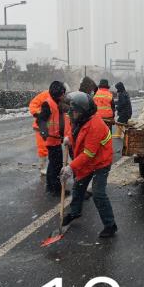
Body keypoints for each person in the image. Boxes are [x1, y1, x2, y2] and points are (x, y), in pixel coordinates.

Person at [60, 92, 117, 238]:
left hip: (101, 162)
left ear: (84, 112)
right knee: (78, 186)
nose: (72, 114)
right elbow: (76, 134)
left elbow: (88, 153)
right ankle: (75, 212)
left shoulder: (95, 125)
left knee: (98, 193)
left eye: (75, 111)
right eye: (72, 111)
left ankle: (110, 225)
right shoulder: (80, 120)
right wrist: (69, 139)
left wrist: (71, 167)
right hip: (89, 160)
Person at [35, 81, 70, 194]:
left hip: (57, 138)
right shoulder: (48, 104)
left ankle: (50, 186)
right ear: (57, 93)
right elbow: (41, 119)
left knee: (53, 164)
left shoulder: (58, 102)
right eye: (62, 93)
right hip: (51, 139)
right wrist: (43, 130)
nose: (63, 95)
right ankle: (56, 189)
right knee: (56, 165)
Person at [28, 89, 51, 176]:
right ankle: (43, 167)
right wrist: (41, 114)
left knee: (53, 147)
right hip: (41, 126)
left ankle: (52, 166)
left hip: (53, 127)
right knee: (43, 147)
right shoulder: (45, 95)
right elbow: (33, 105)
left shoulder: (61, 97)